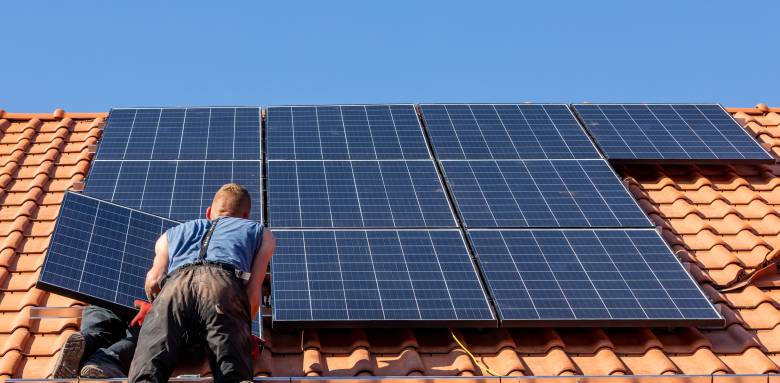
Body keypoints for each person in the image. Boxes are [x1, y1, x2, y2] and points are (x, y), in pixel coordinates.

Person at [129, 183, 275, 383]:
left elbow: (153, 280)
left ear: (208, 212)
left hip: (174, 286)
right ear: (245, 216)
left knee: (148, 370)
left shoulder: (170, 235)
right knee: (232, 373)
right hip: (222, 283)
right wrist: (237, 328)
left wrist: (163, 313)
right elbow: (253, 295)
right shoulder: (260, 233)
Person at [50, 304, 144, 378]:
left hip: (107, 292)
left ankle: (87, 343)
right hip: (143, 303)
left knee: (99, 327)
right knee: (140, 336)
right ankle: (103, 361)